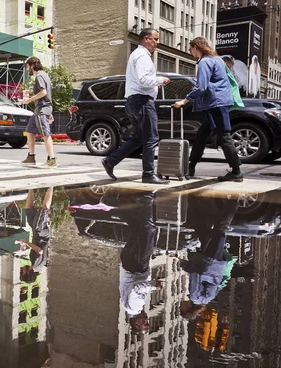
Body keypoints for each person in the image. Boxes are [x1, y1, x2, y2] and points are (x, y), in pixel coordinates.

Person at [101, 28, 170, 184]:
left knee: (139, 138)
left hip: (135, 101)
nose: (157, 43)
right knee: (151, 138)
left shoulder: (138, 55)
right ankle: (148, 174)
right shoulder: (142, 56)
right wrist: (161, 80)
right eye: (155, 39)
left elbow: (142, 81)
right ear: (146, 39)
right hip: (143, 102)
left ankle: (110, 161)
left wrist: (154, 85)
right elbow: (143, 80)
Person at [174, 37, 243, 182]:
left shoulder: (205, 62)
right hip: (217, 102)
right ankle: (191, 166)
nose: (189, 51)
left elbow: (201, 87)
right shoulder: (217, 59)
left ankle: (236, 171)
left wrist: (185, 100)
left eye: (190, 48)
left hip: (215, 103)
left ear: (196, 47)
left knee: (224, 136)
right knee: (202, 134)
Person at [179, 194, 239, 320]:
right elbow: (195, 274)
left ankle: (195, 201)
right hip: (207, 260)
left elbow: (215, 281)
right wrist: (183, 264)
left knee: (205, 231)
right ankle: (234, 200)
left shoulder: (208, 299)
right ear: (188, 309)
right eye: (182, 308)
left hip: (215, 263)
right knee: (219, 229)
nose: (181, 305)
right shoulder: (195, 296)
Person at [117, 191, 163, 333]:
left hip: (136, 265)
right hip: (128, 263)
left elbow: (137, 288)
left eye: (145, 324)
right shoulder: (128, 306)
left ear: (137, 323)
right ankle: (121, 202)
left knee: (149, 231)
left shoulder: (134, 307)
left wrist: (153, 286)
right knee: (137, 229)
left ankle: (147, 198)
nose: (147, 320)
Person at [21, 57, 57, 168]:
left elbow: (44, 92)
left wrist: (29, 100)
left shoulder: (39, 76)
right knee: (30, 131)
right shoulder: (45, 75)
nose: (27, 69)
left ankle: (52, 160)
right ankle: (31, 157)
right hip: (40, 110)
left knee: (45, 134)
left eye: (27, 66)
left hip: (42, 110)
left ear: (32, 66)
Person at [16, 187, 53, 283]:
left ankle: (31, 188)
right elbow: (39, 251)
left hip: (38, 234)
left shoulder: (38, 268)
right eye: (22, 272)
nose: (22, 269)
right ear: (27, 273)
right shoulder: (36, 265)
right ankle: (51, 185)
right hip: (40, 233)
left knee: (28, 210)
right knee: (43, 209)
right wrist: (26, 242)